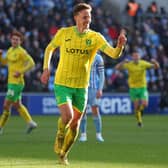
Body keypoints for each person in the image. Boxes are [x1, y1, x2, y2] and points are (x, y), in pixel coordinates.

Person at [40, 3, 127, 165]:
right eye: (85, 16)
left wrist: (120, 46)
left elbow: (113, 54)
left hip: (81, 87)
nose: (88, 20)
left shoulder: (95, 37)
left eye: (89, 17)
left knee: (75, 124)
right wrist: (46, 69)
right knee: (67, 116)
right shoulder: (64, 33)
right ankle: (60, 133)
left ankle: (64, 154)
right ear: (76, 18)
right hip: (62, 83)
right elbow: (49, 48)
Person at [0, 30, 37, 135]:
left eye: (17, 40)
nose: (15, 41)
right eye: (13, 39)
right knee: (17, 104)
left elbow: (31, 63)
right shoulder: (10, 50)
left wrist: (21, 71)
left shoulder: (22, 52)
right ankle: (30, 122)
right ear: (10, 40)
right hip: (11, 82)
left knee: (6, 105)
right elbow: (4, 63)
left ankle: (0, 126)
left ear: (20, 41)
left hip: (17, 83)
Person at [115, 50, 159, 127]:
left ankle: (140, 111)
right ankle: (139, 122)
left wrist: (155, 62)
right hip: (133, 88)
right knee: (136, 106)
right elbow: (117, 68)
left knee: (145, 104)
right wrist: (123, 62)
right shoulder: (129, 64)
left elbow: (156, 67)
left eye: (137, 56)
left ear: (139, 57)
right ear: (132, 57)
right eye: (134, 56)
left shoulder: (143, 63)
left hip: (142, 87)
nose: (136, 57)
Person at [79, 53, 105, 142]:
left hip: (94, 88)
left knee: (95, 110)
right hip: (81, 88)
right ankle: (83, 134)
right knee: (82, 111)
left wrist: (100, 89)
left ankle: (98, 134)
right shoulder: (80, 55)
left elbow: (102, 75)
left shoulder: (98, 57)